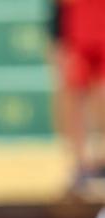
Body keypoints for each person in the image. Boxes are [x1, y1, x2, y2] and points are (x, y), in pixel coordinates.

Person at [52, 0, 105, 193]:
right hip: (76, 29)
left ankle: (92, 162)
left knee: (96, 98)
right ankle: (82, 164)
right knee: (73, 99)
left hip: (90, 26)